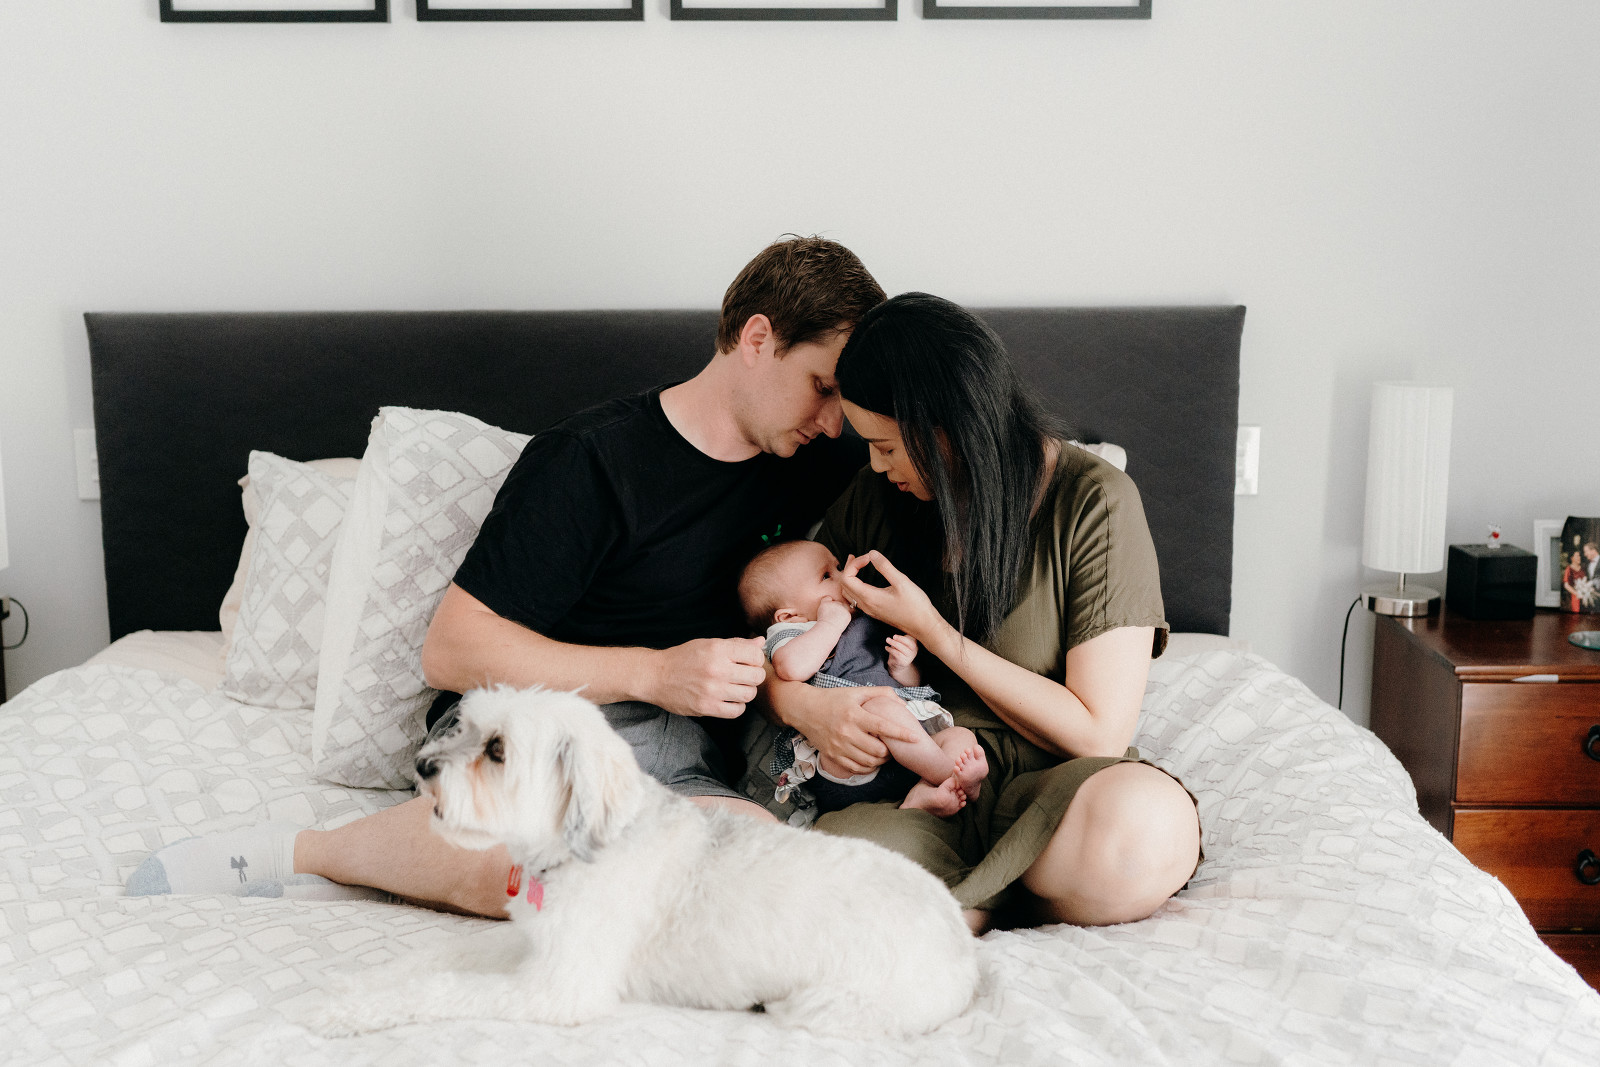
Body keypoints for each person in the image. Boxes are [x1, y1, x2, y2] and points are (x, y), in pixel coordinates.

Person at [126, 236, 916, 916]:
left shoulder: (811, 462)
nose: (833, 423)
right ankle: (313, 854)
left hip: (678, 766)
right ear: (757, 337)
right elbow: (450, 650)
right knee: (549, 863)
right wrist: (655, 672)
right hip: (536, 729)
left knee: (781, 888)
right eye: (822, 387)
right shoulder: (592, 461)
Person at [754, 292, 1202, 934]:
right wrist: (804, 708)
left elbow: (1098, 735)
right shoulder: (877, 498)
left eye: (886, 445)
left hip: (1052, 789)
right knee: (810, 881)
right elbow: (780, 642)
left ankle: (978, 899)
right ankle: (984, 897)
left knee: (1147, 829)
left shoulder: (1094, 503)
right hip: (910, 789)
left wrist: (934, 632)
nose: (875, 464)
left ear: (947, 426)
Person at [737, 539, 989, 817]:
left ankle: (924, 794)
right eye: (827, 576)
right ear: (788, 615)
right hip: (847, 760)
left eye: (837, 567)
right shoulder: (792, 634)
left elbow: (910, 686)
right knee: (881, 709)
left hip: (911, 751)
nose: (843, 577)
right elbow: (791, 669)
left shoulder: (864, 620)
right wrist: (830, 622)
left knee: (960, 737)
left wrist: (901, 667)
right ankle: (949, 775)